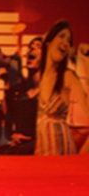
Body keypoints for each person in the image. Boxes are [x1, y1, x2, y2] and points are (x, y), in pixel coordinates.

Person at [35, 19, 89, 155]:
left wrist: (85, 62)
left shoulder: (67, 77)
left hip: (61, 149)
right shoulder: (37, 77)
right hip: (41, 150)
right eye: (61, 36)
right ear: (48, 41)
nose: (65, 43)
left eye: (69, 41)